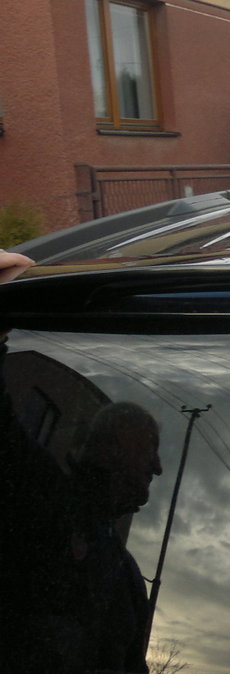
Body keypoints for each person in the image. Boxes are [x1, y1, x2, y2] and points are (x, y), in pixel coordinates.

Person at [1, 248, 161, 673]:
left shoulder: (126, 573)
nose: (158, 468)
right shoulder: (36, 495)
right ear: (108, 448)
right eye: (149, 450)